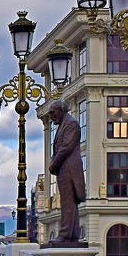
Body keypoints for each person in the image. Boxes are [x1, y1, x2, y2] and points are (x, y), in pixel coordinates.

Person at [48, 100, 86, 243]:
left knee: (68, 201)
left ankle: (65, 235)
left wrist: (54, 163)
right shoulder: (66, 124)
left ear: (61, 110)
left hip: (69, 168)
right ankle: (73, 234)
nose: (51, 116)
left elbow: (66, 147)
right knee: (70, 201)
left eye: (53, 112)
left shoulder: (71, 124)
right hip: (65, 167)